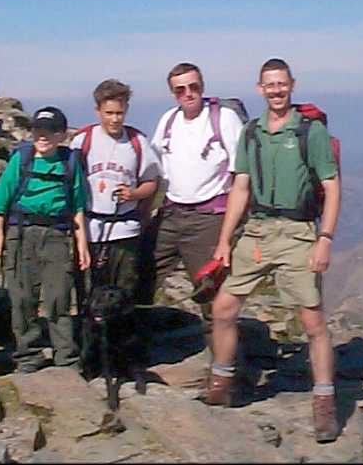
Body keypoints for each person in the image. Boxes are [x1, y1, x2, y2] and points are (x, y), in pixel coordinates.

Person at [208, 58, 341, 443]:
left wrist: (325, 238)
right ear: (259, 88)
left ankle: (324, 404)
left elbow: (331, 186)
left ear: (292, 85)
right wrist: (224, 239)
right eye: (270, 85)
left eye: (282, 84)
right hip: (258, 231)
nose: (276, 90)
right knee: (223, 308)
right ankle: (221, 382)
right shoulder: (251, 132)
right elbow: (241, 188)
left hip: (299, 233)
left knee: (313, 322)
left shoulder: (309, 132)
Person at [146, 62, 244, 353]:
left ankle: (222, 371)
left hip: (209, 216)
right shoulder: (168, 121)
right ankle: (131, 350)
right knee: (141, 272)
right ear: (173, 93)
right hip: (172, 212)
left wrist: (229, 233)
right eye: (180, 89)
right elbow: (154, 168)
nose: (188, 94)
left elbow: (242, 175)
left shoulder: (223, 118)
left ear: (202, 86)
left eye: (194, 87)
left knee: (210, 292)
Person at [0, 106, 91, 374]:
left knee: (59, 296)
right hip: (21, 233)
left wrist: (81, 244)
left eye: (50, 131)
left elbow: (78, 206)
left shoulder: (70, 164)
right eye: (38, 130)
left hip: (57, 235)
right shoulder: (21, 160)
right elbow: (2, 199)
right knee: (22, 296)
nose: (42, 137)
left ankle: (65, 356)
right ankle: (27, 354)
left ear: (61, 136)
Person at [70, 79, 159, 295]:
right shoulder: (83, 141)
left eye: (119, 113)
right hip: (90, 230)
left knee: (122, 294)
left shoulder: (137, 142)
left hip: (125, 231)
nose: (115, 119)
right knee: (89, 294)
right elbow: (72, 183)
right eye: (109, 113)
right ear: (97, 110)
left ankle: (122, 330)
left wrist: (134, 194)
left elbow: (152, 182)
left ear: (126, 109)